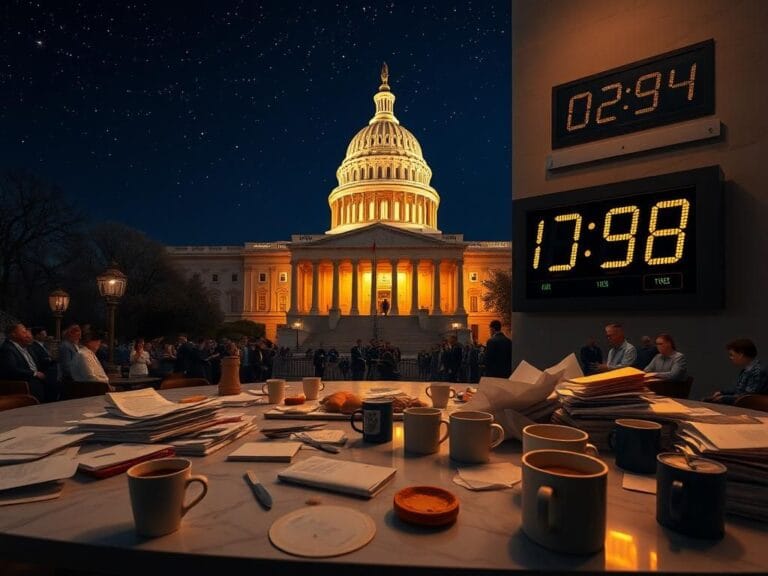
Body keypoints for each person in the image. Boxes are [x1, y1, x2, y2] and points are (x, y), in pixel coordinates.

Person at [704, 338, 768, 404]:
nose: (730, 358)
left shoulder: (758, 371)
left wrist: (723, 398)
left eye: (731, 355)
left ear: (741, 354)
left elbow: (748, 397)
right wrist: (722, 392)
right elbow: (739, 389)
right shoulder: (748, 369)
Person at [0, 322, 47, 402]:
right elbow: (11, 370)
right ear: (13, 334)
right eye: (23, 332)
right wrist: (34, 374)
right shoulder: (8, 349)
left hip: (36, 379)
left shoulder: (27, 347)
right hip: (24, 383)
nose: (27, 334)